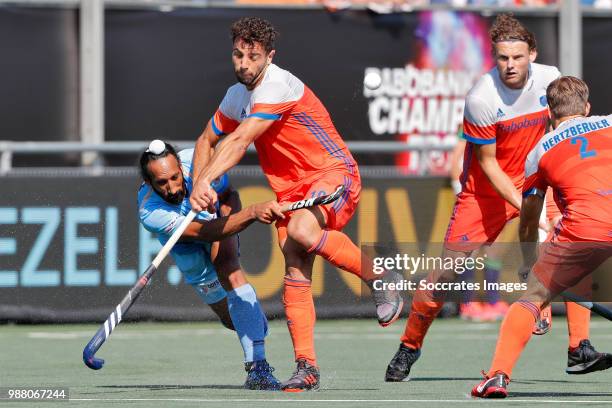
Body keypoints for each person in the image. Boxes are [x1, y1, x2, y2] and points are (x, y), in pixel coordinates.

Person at [385, 14, 609, 382]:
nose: (510, 66)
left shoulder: (551, 79)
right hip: (484, 194)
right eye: (503, 58)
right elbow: (488, 166)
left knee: (572, 249)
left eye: (518, 58)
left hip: (538, 177)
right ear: (494, 57)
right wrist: (528, 210)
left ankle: (579, 348)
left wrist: (541, 208)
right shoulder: (481, 98)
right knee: (443, 277)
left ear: (531, 54)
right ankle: (409, 346)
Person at [187, 17, 403, 392]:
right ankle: (307, 367)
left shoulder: (276, 85)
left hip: (334, 175)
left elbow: (238, 142)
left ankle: (381, 277)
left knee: (302, 231)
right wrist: (196, 185)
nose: (243, 64)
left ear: (269, 57)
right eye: (238, 55)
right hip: (292, 194)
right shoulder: (236, 96)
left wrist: (206, 180)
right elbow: (207, 139)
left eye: (252, 56)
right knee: (295, 264)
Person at [472, 76, 612, 398]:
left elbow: (528, 220)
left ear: (549, 113)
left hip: (583, 230)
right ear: (587, 108)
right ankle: (579, 349)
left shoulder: (539, 152)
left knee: (532, 298)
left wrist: (528, 265)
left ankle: (497, 376)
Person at [137, 139, 284, 390]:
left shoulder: (199, 163)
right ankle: (250, 326)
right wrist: (252, 213)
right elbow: (205, 233)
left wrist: (216, 193)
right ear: (149, 183)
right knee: (231, 320)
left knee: (227, 266)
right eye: (162, 182)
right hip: (190, 244)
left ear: (181, 168)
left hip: (221, 214)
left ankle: (257, 368)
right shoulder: (150, 211)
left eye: (175, 177)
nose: (172, 188)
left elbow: (227, 189)